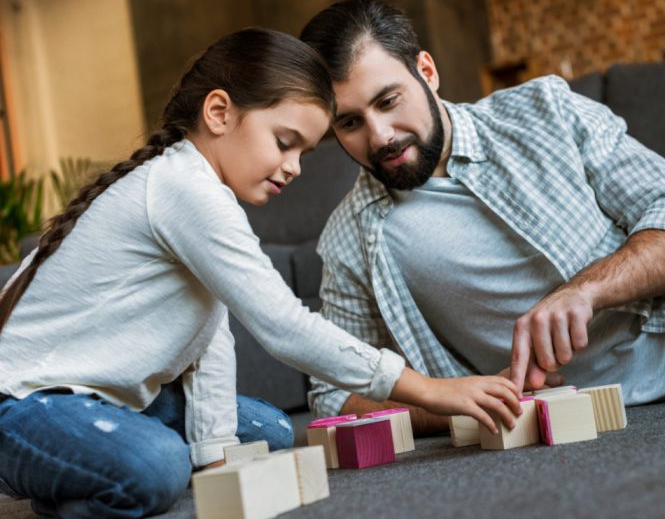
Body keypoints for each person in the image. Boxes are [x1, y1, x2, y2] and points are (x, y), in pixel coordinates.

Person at [0, 28, 522, 519]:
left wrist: (215, 456)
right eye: (284, 141)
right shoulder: (184, 188)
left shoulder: (204, 193)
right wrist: (431, 389)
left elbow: (207, 342)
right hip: (24, 404)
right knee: (153, 467)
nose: (294, 166)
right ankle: (79, 483)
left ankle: (105, 461)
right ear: (220, 112)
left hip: (111, 400)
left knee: (267, 431)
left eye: (304, 152)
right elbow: (283, 325)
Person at [299, 0, 665, 434]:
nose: (380, 137)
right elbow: (333, 397)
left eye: (389, 101)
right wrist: (454, 402)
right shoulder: (350, 241)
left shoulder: (543, 108)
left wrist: (585, 290)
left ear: (427, 71)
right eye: (349, 123)